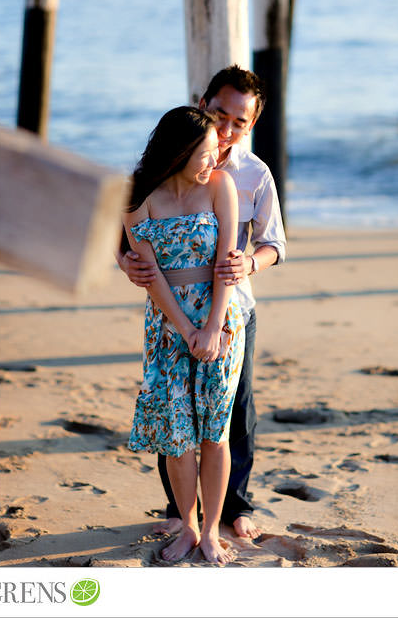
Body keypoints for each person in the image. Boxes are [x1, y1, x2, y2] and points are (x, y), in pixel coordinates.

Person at [117, 65, 286, 540]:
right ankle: (180, 511)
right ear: (201, 104)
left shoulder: (252, 175)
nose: (227, 129)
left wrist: (250, 264)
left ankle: (234, 507)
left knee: (235, 414)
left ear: (251, 126)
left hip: (233, 307)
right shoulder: (157, 172)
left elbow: (275, 244)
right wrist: (126, 264)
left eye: (240, 122)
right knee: (174, 415)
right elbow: (127, 239)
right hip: (171, 310)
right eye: (219, 114)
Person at [124, 105, 245, 565]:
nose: (213, 161)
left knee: (215, 433)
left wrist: (212, 326)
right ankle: (189, 528)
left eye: (217, 151)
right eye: (206, 153)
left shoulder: (221, 187)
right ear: (178, 153)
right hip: (166, 323)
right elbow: (149, 274)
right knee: (176, 435)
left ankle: (212, 531)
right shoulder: (138, 195)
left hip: (219, 321)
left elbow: (227, 261)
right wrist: (185, 327)